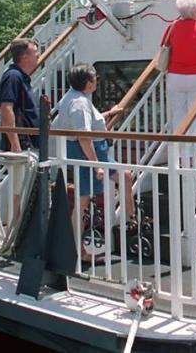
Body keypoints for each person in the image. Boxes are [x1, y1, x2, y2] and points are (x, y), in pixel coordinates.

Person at [54, 64, 135, 262]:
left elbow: (89, 122)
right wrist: (97, 165)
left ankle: (130, 222)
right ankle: (78, 251)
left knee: (124, 176)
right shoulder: (79, 104)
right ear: (88, 83)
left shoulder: (75, 98)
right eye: (95, 78)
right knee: (82, 202)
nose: (97, 81)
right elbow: (84, 137)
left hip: (97, 151)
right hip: (86, 154)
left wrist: (109, 113)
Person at [0, 38, 40, 215]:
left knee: (24, 189)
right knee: (19, 190)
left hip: (28, 142)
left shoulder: (22, 77)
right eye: (35, 51)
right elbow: (6, 109)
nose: (38, 55)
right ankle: (16, 232)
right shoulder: (13, 77)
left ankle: (20, 229)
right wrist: (15, 143)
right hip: (21, 144)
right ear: (24, 56)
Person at [163, 0, 196, 132]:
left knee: (178, 116)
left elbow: (164, 45)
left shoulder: (172, 27)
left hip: (175, 77)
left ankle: (179, 153)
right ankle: (191, 153)